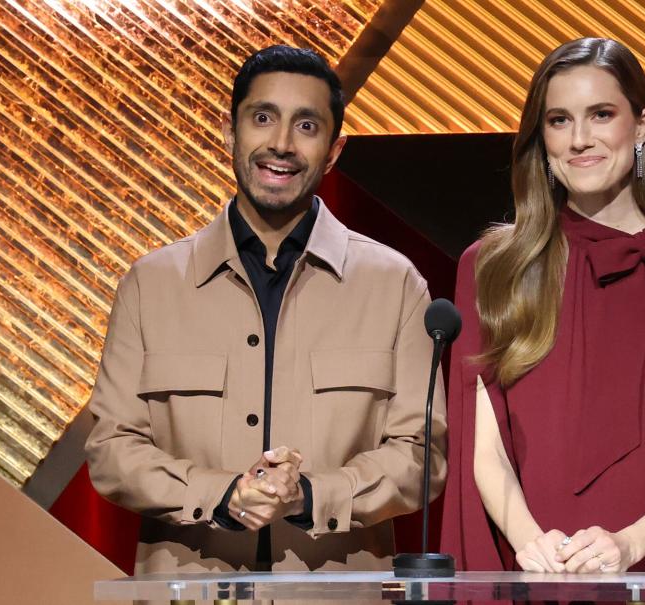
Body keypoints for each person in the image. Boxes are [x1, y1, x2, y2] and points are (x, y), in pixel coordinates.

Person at [85, 45, 446, 574]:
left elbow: (421, 455)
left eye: (306, 126)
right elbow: (112, 448)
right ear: (229, 134)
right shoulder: (150, 284)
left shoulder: (396, 285)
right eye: (261, 119)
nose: (280, 144)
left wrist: (310, 496)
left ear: (335, 148)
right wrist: (222, 494)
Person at [440, 37, 645, 604]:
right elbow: (481, 447)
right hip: (533, 575)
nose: (580, 139)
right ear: (541, 138)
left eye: (601, 115)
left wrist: (627, 545)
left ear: (642, 127)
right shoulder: (491, 268)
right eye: (560, 120)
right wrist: (530, 542)